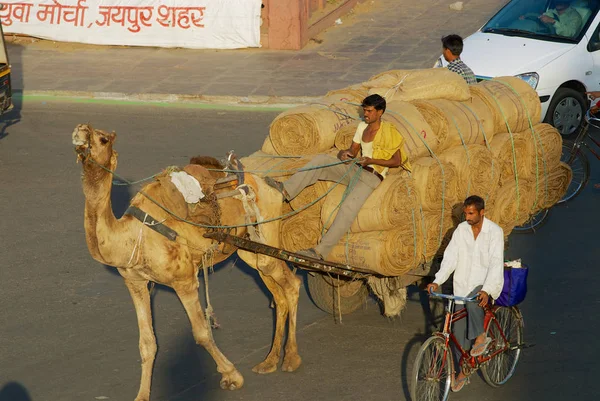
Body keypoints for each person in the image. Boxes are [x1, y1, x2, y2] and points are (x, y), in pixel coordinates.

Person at [265, 94, 410, 260]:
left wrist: (371, 160)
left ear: (380, 112)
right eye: (364, 110)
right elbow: (352, 151)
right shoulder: (362, 127)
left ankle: (320, 252)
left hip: (372, 177)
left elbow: (397, 161)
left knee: (347, 209)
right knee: (321, 161)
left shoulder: (389, 131)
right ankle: (286, 191)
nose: (366, 114)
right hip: (356, 169)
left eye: (369, 111)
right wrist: (344, 154)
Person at [426, 195, 504, 392]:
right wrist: (437, 281)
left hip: (484, 285)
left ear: (482, 212)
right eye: (465, 213)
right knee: (458, 334)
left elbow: (496, 263)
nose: (467, 217)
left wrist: (487, 289)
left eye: (471, 214)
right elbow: (450, 258)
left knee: (473, 301)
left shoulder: (495, 232)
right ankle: (463, 371)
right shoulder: (461, 230)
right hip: (461, 287)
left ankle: (480, 336)